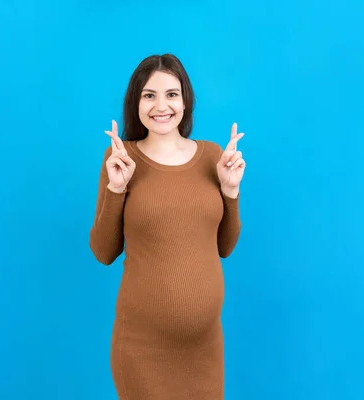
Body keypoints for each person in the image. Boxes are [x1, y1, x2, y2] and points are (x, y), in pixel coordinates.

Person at [89, 53, 246, 399]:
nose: (162, 105)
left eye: (171, 94)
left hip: (204, 348)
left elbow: (225, 246)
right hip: (143, 348)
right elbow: (103, 252)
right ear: (137, 102)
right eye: (149, 95)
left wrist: (230, 191)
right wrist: (117, 188)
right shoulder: (121, 158)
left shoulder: (211, 156)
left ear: (185, 100)